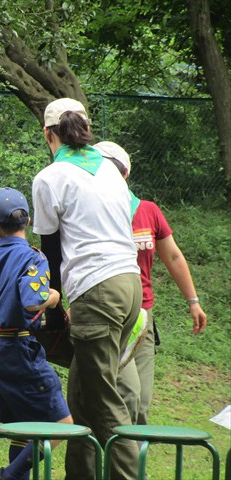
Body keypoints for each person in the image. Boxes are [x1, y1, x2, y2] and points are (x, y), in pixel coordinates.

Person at [31, 98, 142, 480]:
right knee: (82, 393)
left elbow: (50, 249)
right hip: (129, 287)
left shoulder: (51, 177)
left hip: (97, 291)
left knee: (105, 402)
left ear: (49, 134)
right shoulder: (110, 170)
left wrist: (53, 308)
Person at [93, 141, 208, 426]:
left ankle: (131, 465)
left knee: (141, 404)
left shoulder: (147, 211)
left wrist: (193, 301)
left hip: (141, 316)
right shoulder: (92, 212)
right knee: (119, 399)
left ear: (125, 174)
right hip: (105, 312)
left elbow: (173, 256)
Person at [0, 187, 72, 480]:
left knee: (22, 427)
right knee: (64, 425)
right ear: (27, 221)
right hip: (16, 349)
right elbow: (32, 299)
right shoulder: (32, 257)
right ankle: (8, 476)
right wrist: (54, 297)